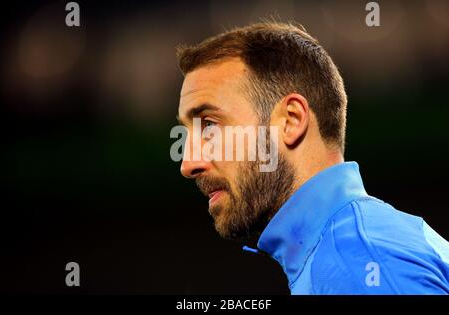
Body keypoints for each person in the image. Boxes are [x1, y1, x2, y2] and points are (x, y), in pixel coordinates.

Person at [175, 22, 449, 294]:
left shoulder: (353, 265)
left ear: (290, 121)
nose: (188, 164)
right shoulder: (358, 247)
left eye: (209, 125)